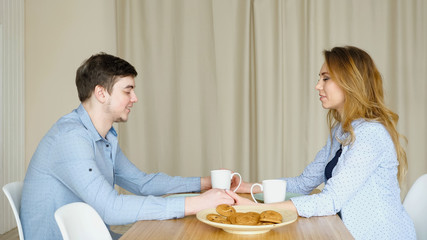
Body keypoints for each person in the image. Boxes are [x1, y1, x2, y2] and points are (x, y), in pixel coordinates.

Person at [20, 53, 237, 240]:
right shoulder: (71, 138)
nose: (135, 98)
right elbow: (110, 209)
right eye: (127, 90)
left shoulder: (103, 137)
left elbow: (142, 183)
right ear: (101, 93)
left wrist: (205, 184)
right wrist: (194, 204)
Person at [227, 46, 416, 239]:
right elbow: (303, 184)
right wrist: (248, 187)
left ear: (350, 82)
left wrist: (261, 210)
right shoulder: (340, 131)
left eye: (326, 78)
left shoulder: (370, 134)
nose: (318, 86)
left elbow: (330, 201)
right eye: (320, 78)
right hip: (343, 231)